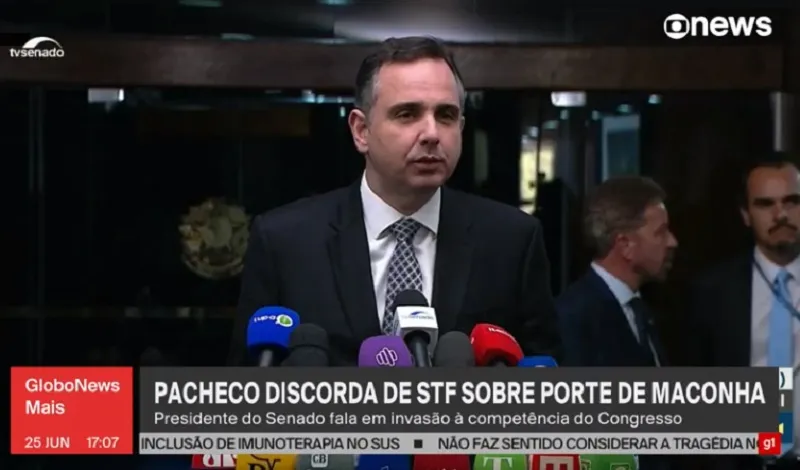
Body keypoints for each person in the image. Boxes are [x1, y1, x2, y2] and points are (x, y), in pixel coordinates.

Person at [230, 36, 562, 366]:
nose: (431, 133)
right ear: (361, 130)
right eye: (407, 114)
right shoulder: (284, 241)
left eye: (446, 115)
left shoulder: (511, 240)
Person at [686, 155, 800, 470]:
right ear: (745, 215)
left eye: (792, 201)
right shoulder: (712, 292)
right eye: (765, 204)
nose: (781, 214)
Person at [556, 176, 677, 368]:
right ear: (625, 244)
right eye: (661, 232)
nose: (672, 242)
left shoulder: (644, 312)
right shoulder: (573, 318)